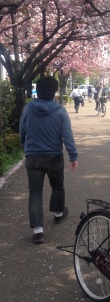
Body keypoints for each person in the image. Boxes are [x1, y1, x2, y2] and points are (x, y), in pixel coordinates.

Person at [19, 76, 78, 244]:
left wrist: (27, 147)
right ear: (54, 92)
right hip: (54, 156)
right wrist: (73, 155)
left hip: (33, 157)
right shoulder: (60, 110)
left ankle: (38, 231)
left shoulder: (28, 108)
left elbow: (22, 130)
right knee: (57, 186)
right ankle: (58, 214)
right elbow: (67, 135)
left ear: (38, 90)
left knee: (35, 192)